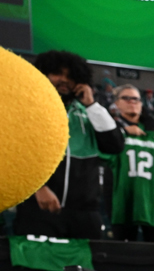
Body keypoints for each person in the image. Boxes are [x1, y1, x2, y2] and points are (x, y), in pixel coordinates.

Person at [15, 50, 124, 239]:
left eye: (70, 76)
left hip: (85, 215)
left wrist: (91, 105)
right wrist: (37, 188)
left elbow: (115, 145)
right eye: (57, 73)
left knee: (88, 269)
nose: (64, 80)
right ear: (43, 74)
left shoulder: (89, 111)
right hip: (39, 209)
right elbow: (15, 153)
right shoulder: (27, 108)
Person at [106, 84, 154, 242]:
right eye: (126, 98)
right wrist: (123, 132)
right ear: (116, 104)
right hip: (123, 204)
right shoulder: (110, 132)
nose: (132, 102)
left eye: (136, 99)